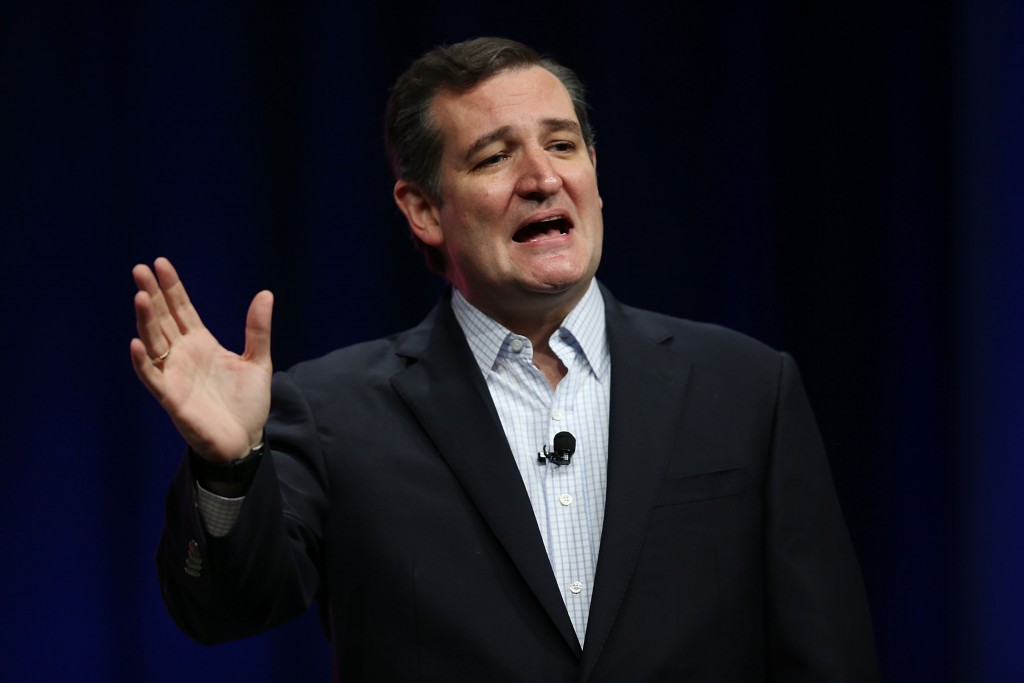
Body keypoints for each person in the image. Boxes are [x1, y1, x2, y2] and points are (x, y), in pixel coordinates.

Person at [132, 37, 879, 681]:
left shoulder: (746, 388)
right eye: (495, 156)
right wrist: (229, 468)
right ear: (424, 209)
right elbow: (222, 610)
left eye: (561, 145)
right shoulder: (331, 412)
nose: (541, 176)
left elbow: (826, 656)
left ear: (594, 169)